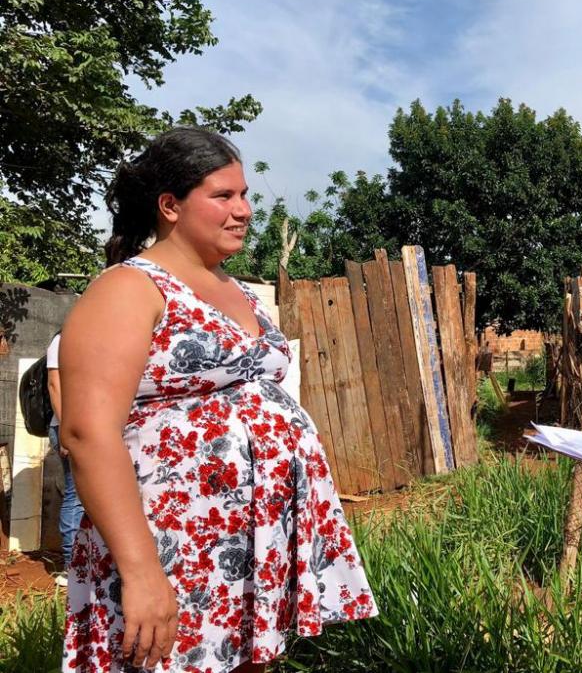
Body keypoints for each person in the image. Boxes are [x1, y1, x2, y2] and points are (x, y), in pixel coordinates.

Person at [58, 127, 377, 673]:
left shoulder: (239, 289)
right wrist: (142, 571)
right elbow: (87, 433)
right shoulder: (128, 288)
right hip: (170, 541)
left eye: (244, 194)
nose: (244, 210)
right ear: (170, 206)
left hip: (251, 538)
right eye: (223, 195)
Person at [45, 332, 84, 588]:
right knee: (76, 495)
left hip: (90, 428)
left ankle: (85, 564)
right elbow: (54, 384)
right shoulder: (62, 340)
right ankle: (72, 567)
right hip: (67, 427)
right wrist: (65, 429)